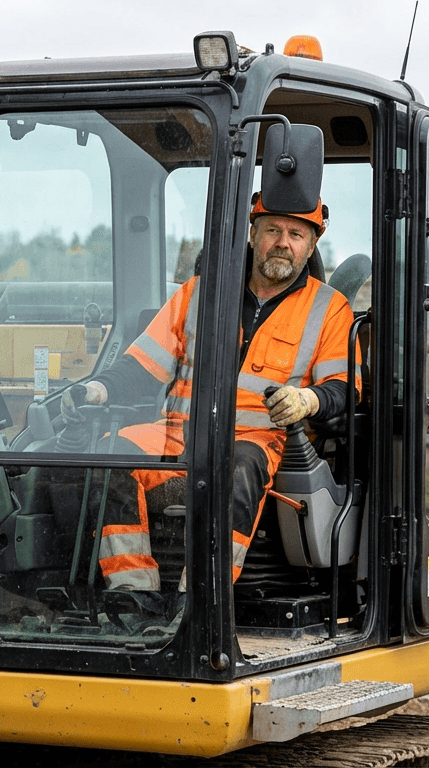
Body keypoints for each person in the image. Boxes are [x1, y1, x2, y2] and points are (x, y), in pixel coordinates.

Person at [62, 193, 357, 597]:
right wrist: (97, 389)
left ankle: (200, 597)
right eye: (272, 230)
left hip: (254, 442)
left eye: (296, 234)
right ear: (253, 235)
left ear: (311, 245)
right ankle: (132, 592)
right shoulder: (197, 292)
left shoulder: (330, 309)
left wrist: (306, 400)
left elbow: (343, 390)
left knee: (238, 469)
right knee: (110, 453)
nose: (283, 242)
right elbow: (143, 366)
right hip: (177, 434)